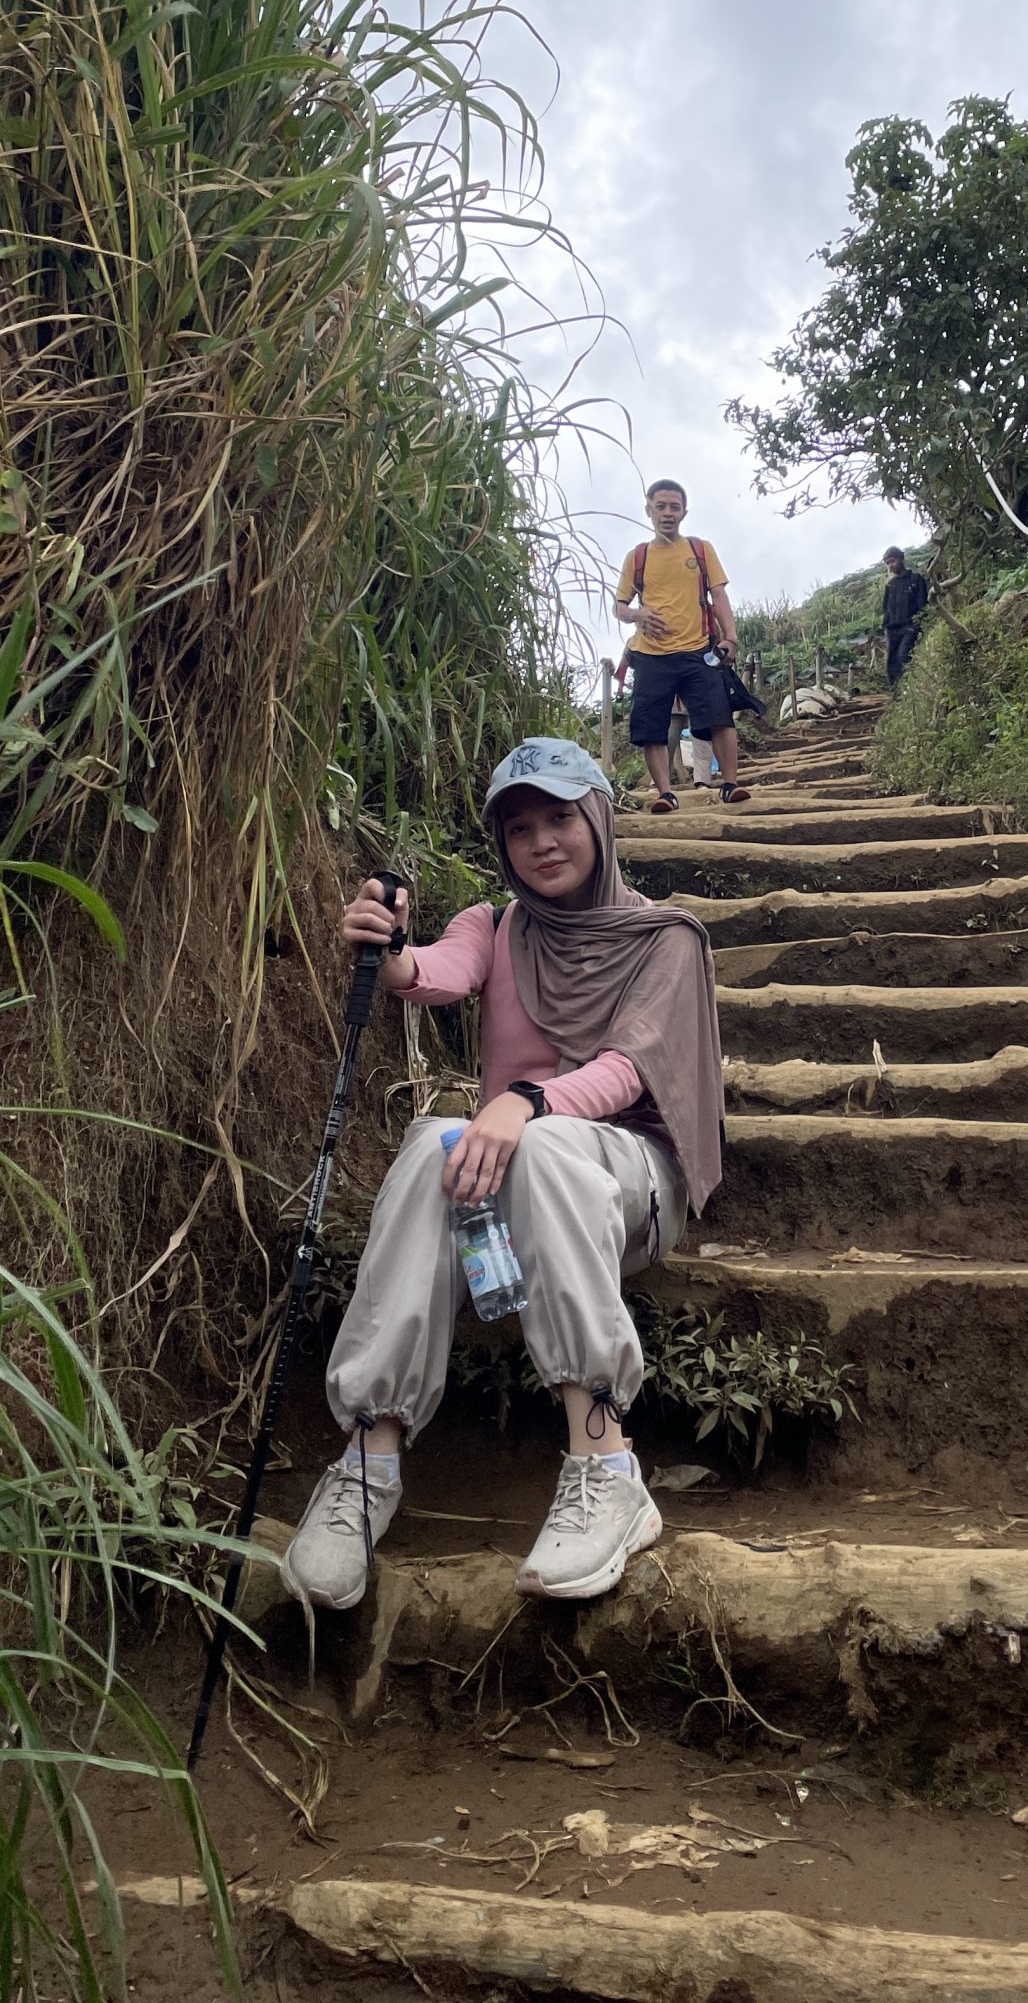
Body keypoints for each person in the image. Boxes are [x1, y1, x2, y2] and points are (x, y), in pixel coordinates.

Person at [281, 737, 724, 1612]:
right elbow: (431, 975)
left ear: (597, 816)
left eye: (561, 816)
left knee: (540, 1142)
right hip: (504, 1194)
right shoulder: (494, 925)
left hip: (625, 1187)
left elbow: (628, 1070)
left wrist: (525, 1101)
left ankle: (604, 1464)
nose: (542, 841)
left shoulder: (663, 938)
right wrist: (391, 943)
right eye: (520, 827)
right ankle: (368, 1463)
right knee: (429, 1141)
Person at [614, 479, 750, 810]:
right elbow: (620, 607)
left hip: (698, 652)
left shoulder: (699, 549)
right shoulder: (638, 557)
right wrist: (638, 614)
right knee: (652, 728)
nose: (668, 513)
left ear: (684, 512)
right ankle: (665, 794)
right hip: (651, 655)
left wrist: (730, 636)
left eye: (675, 507)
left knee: (720, 717)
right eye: (661, 506)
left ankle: (730, 785)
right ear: (649, 510)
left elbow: (718, 593)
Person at [881, 546, 929, 688]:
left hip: (909, 626)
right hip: (892, 629)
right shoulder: (890, 585)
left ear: (901, 559)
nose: (891, 565)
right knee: (891, 662)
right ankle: (895, 694)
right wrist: (886, 625)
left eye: (893, 561)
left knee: (903, 657)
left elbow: (922, 604)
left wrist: (918, 624)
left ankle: (906, 692)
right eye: (888, 562)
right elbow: (886, 608)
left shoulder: (916, 579)